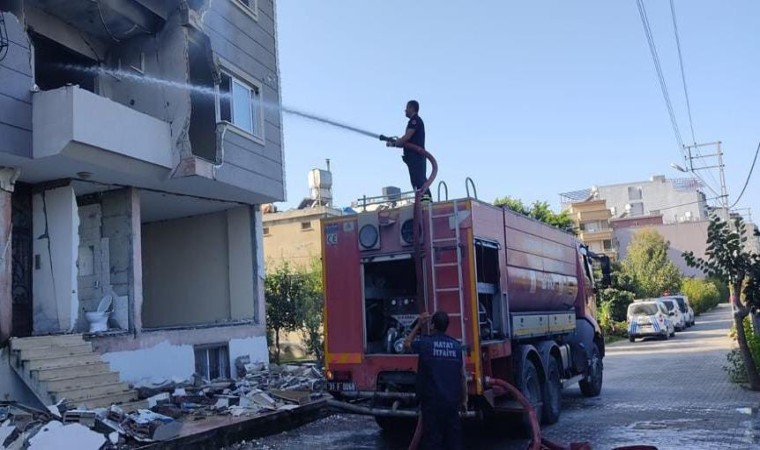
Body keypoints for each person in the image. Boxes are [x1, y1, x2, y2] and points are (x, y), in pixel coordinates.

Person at [404, 311, 467, 450]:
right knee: (454, 441)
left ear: (432, 325)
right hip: (452, 403)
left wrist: (418, 325)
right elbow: (462, 376)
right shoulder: (456, 346)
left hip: (432, 403)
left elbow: (407, 344)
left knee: (433, 441)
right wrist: (464, 400)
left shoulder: (425, 343)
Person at [387, 100, 432, 201]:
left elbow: (407, 137)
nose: (405, 110)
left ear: (412, 108)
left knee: (419, 181)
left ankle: (426, 202)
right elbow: (406, 142)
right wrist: (394, 143)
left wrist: (396, 142)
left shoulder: (414, 121)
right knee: (416, 181)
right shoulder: (414, 121)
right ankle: (423, 202)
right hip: (414, 156)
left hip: (416, 156)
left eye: (407, 108)